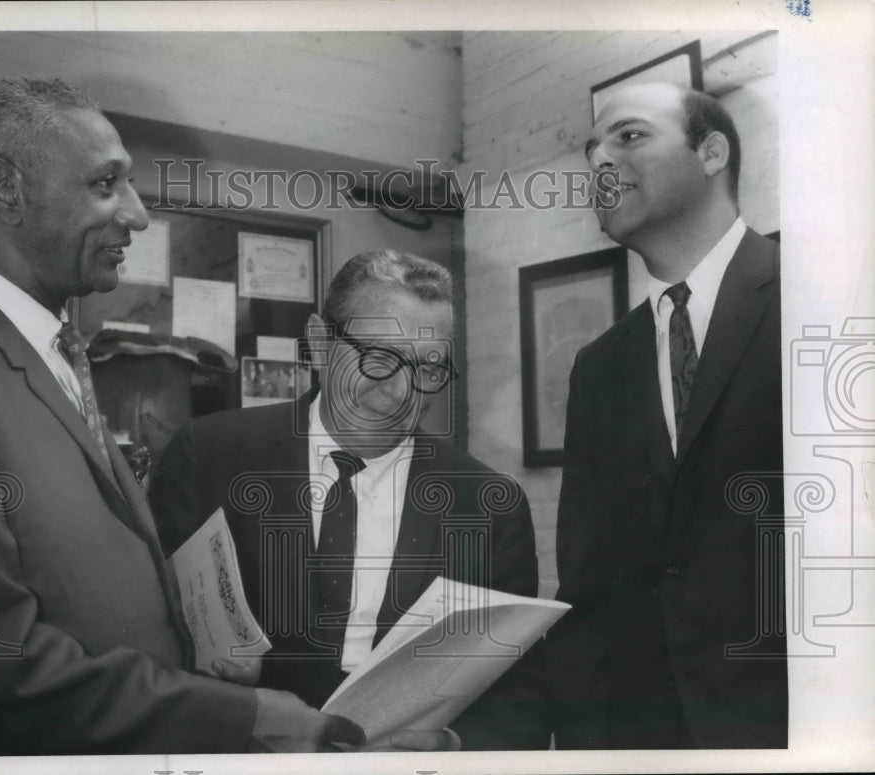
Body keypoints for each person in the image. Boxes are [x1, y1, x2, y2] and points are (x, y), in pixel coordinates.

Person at [0, 77, 363, 755]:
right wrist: (251, 717)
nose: (138, 216)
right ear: (8, 191)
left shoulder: (58, 352)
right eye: (104, 184)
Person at [151, 250, 549, 751]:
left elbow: (523, 696)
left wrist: (450, 746)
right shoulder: (208, 456)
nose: (401, 393)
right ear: (319, 343)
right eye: (380, 357)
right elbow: (147, 646)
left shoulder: (490, 504)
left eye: (428, 367)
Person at [545, 82, 785, 748]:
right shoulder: (599, 366)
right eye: (591, 149)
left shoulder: (824, 300)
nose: (598, 161)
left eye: (628, 136)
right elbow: (588, 586)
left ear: (712, 153)